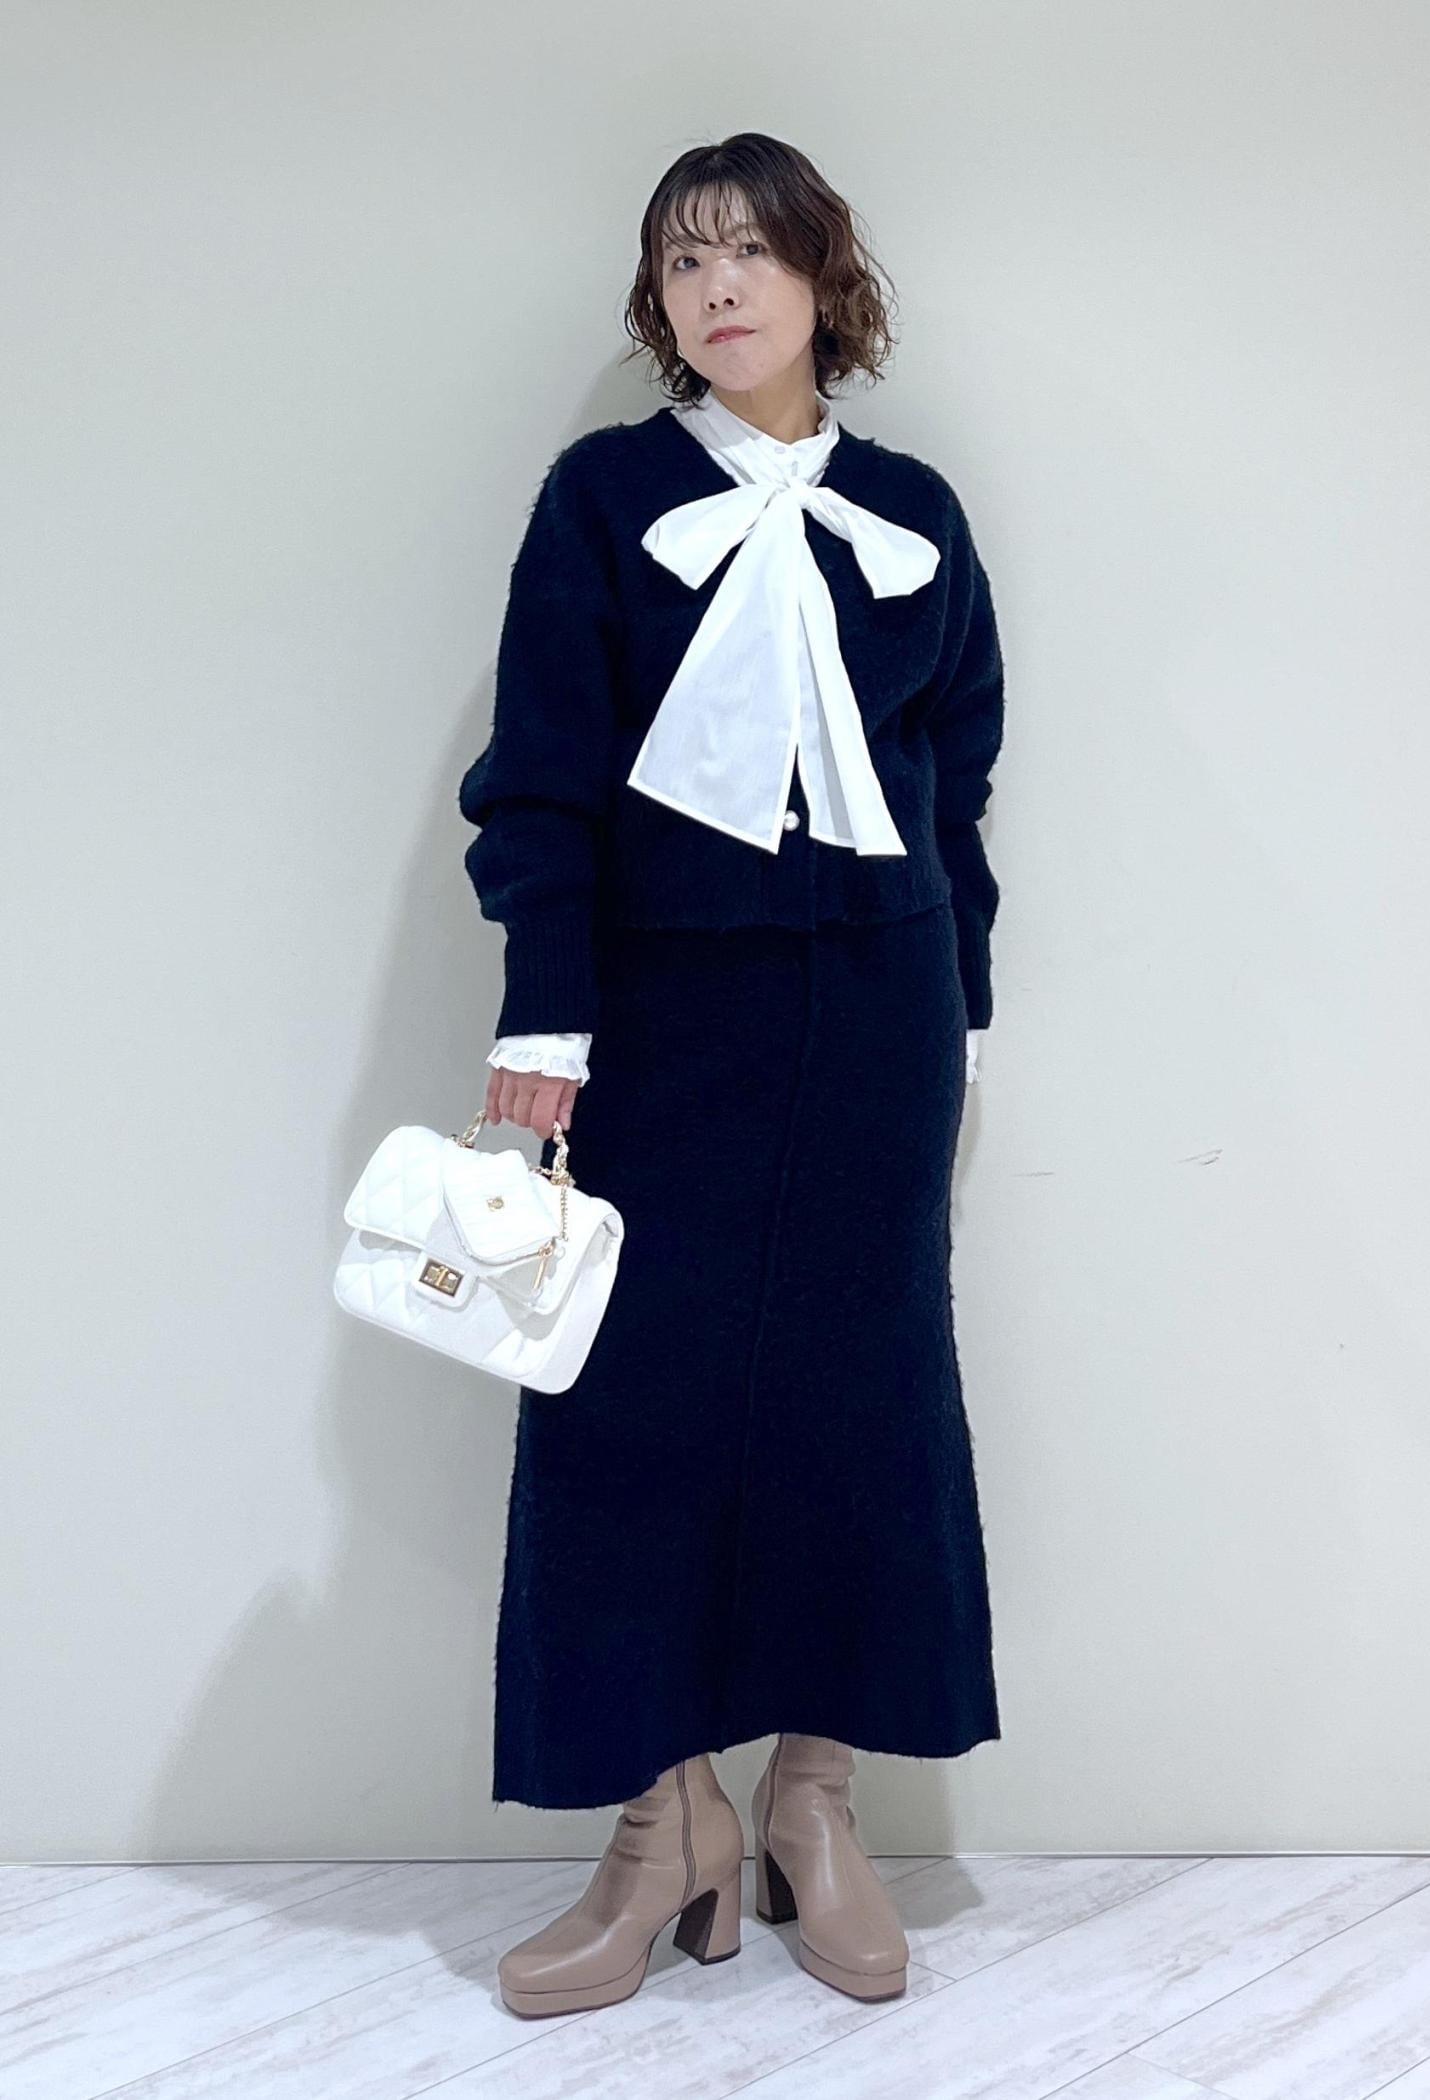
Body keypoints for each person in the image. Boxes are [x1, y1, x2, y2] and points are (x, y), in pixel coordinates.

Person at [457, 131, 1007, 2019]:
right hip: (660, 1018)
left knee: (864, 1405)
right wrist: (545, 1023)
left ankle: (815, 1805)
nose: (717, 286)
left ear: (823, 281)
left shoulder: (915, 513)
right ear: (660, 300)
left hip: (880, 1018)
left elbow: (957, 787)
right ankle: (657, 1827)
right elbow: (542, 778)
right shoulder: (604, 497)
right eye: (684, 259)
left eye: (751, 252)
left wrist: (964, 1012)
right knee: (626, 1410)